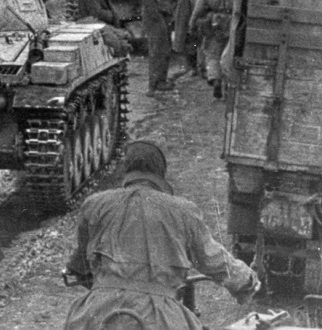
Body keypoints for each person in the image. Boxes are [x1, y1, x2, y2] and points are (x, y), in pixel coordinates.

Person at [63, 140, 259, 330]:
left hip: (99, 311)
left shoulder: (95, 204)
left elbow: (80, 259)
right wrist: (246, 280)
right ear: (160, 172)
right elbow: (212, 258)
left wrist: (77, 270)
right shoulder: (183, 210)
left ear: (127, 169)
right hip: (160, 316)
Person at [189, 0, 237, 99]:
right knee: (230, 54)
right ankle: (228, 84)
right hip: (232, 24)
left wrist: (192, 23)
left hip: (214, 24)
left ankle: (215, 79)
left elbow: (198, 8)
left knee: (212, 54)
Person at [140, 0, 176, 94]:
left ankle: (161, 81)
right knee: (156, 51)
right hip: (155, 17)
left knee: (165, 50)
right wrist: (156, 18)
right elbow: (148, 0)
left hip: (165, 15)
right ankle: (152, 86)